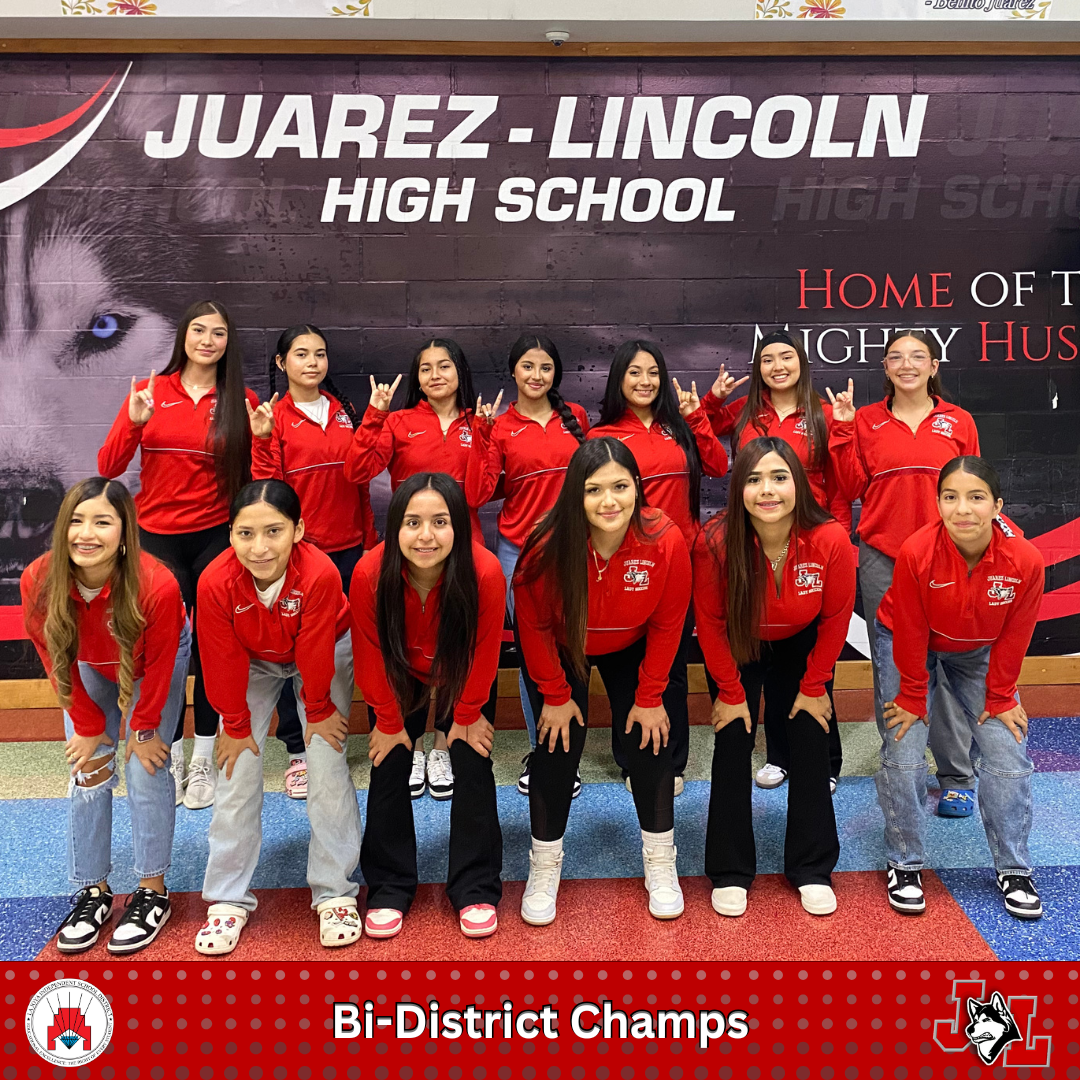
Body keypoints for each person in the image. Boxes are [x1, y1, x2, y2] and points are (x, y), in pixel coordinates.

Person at [514, 437, 692, 926]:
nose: (609, 501)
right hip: (565, 645)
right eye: (594, 490)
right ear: (576, 493)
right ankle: (544, 865)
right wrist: (553, 693)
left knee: (651, 740)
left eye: (620, 486)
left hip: (633, 643)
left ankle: (660, 860)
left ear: (638, 487)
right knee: (556, 745)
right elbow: (531, 624)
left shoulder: (664, 538)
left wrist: (651, 694)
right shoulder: (546, 544)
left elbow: (670, 620)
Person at [98, 300, 258, 812]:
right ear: (183, 337)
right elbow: (108, 466)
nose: (207, 340)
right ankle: (156, 743)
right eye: (198, 330)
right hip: (156, 540)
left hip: (215, 538)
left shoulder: (242, 401)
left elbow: (259, 481)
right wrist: (133, 421)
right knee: (163, 651)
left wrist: (266, 440)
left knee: (214, 651)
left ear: (228, 343)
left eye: (218, 332)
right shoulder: (151, 392)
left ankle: (203, 755)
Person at [21, 478, 189, 954]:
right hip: (86, 665)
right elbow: (54, 656)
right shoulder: (39, 579)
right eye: (75, 521)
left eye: (101, 521)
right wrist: (90, 726)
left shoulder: (156, 583)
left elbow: (158, 668)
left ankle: (153, 891)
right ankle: (93, 890)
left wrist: (145, 727)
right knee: (89, 769)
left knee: (144, 766)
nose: (86, 533)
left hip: (151, 662)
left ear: (124, 531)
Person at [194, 480, 362, 954]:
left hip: (326, 648)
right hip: (252, 659)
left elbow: (314, 649)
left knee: (326, 764)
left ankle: (334, 892)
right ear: (230, 535)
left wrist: (319, 710)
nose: (260, 547)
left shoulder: (320, 573)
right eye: (245, 534)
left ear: (299, 530)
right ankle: (226, 900)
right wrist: (235, 723)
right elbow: (219, 656)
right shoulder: (215, 581)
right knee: (237, 768)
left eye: (274, 531)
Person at [874, 457, 1044, 920]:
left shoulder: (1025, 560)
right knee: (904, 749)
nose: (962, 509)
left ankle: (1014, 869)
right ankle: (905, 863)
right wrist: (912, 694)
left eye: (976, 498)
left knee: (1008, 750)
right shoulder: (917, 551)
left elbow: (1017, 632)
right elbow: (908, 625)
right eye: (950, 497)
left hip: (979, 652)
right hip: (910, 643)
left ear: (997, 506)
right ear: (938, 504)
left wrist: (1002, 696)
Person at [693, 438, 856, 918]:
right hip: (738, 644)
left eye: (779, 477)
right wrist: (729, 692)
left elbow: (836, 619)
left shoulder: (829, 539)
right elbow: (710, 623)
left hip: (802, 644)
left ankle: (811, 868)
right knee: (732, 741)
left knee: (808, 739)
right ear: (738, 487)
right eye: (754, 479)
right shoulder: (715, 540)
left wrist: (814, 686)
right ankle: (729, 870)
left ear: (798, 483)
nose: (768, 490)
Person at [828, 330, 980, 818]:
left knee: (948, 667)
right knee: (892, 669)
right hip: (884, 559)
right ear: (885, 368)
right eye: (896, 357)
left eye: (918, 357)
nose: (907, 364)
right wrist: (844, 430)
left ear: (934, 366)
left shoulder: (958, 420)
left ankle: (957, 776)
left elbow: (973, 488)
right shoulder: (867, 420)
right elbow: (850, 485)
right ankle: (903, 772)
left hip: (949, 557)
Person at [350, 473, 505, 939]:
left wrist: (465, 716)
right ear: (394, 526)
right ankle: (389, 887)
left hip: (464, 675)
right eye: (413, 522)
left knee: (473, 761)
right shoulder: (369, 573)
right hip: (401, 673)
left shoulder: (485, 573)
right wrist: (389, 721)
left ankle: (476, 885)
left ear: (458, 525)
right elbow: (369, 656)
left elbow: (485, 654)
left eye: (440, 522)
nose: (426, 536)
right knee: (389, 762)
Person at [705, 331, 851, 794]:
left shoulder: (825, 414)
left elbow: (842, 481)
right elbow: (706, 444)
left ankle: (824, 760)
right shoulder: (747, 413)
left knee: (809, 660)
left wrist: (839, 538)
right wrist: (709, 402)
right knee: (769, 664)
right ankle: (778, 757)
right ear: (759, 368)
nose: (777, 366)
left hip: (812, 541)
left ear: (802, 362)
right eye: (767, 360)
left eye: (786, 357)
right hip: (758, 540)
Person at [588, 340, 728, 794]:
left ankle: (672, 761)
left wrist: (697, 419)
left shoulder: (679, 427)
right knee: (630, 671)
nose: (645, 381)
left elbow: (719, 464)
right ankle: (632, 761)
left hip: (681, 563)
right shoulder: (602, 437)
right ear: (618, 380)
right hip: (629, 568)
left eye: (653, 372)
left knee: (670, 669)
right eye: (634, 373)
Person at [345, 338, 481, 802]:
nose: (436, 374)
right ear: (417, 377)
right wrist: (375, 415)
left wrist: (481, 433)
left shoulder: (477, 422)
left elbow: (483, 491)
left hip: (462, 551)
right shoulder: (400, 422)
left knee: (451, 645)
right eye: (426, 368)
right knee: (408, 644)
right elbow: (357, 470)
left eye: (445, 365)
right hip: (409, 552)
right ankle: (416, 742)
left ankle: (443, 742)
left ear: (460, 371)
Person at [250, 324, 377, 801]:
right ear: (281, 363)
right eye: (301, 355)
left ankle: (335, 730)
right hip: (300, 557)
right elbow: (268, 495)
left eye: (320, 355)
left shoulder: (344, 411)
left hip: (348, 551)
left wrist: (368, 540)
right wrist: (262, 441)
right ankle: (299, 751)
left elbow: (361, 482)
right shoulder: (272, 418)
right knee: (291, 654)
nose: (312, 363)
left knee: (345, 648)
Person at [467, 332, 589, 797]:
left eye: (545, 368)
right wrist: (480, 436)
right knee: (533, 652)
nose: (536, 376)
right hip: (518, 553)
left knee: (571, 648)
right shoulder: (499, 426)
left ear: (554, 374)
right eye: (528, 367)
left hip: (574, 549)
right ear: (513, 372)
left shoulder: (573, 417)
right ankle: (543, 750)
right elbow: (477, 495)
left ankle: (568, 755)